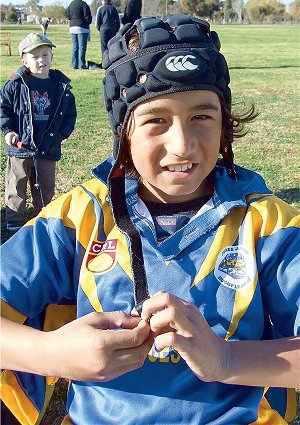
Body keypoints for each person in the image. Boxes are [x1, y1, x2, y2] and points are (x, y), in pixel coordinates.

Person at [1, 14, 299, 425]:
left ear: (225, 124)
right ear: (123, 130)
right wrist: (50, 353)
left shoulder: (268, 225)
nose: (182, 145)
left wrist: (226, 358)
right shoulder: (79, 217)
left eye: (202, 116)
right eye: (156, 120)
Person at [0, 32, 77, 233]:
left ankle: (42, 213)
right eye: (35, 56)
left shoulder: (61, 86)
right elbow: (3, 109)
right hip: (20, 147)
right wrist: (8, 131)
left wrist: (60, 136)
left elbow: (70, 115)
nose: (41, 60)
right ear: (24, 60)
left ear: (51, 57)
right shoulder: (15, 84)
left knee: (45, 185)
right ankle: (15, 217)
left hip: (47, 147)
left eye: (45, 54)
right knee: (16, 183)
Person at [66, 0, 92, 70]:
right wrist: (88, 22)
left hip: (72, 26)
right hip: (82, 26)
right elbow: (87, 16)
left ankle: (74, 64)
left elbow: (68, 16)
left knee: (75, 46)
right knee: (82, 47)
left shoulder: (71, 4)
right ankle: (81, 65)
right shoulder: (83, 4)